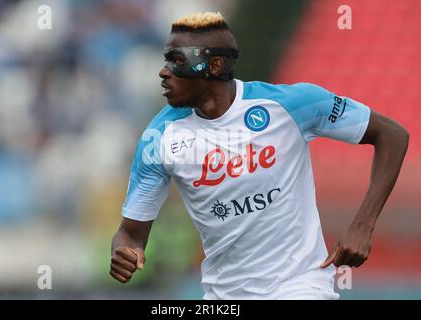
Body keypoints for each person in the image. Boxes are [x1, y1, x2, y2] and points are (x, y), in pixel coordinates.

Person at [109, 12, 409, 299]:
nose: (164, 71)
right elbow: (131, 234)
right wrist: (126, 251)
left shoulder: (292, 105)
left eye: (177, 61)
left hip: (299, 285)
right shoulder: (159, 138)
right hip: (222, 294)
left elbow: (392, 135)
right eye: (166, 60)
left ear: (213, 66)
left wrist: (363, 224)